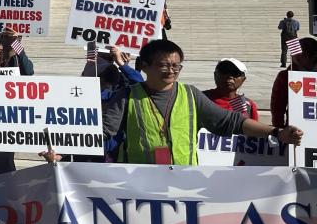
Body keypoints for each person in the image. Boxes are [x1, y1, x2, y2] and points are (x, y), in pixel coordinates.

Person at [84, 40, 302, 165]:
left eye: (176, 66)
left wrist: (277, 132)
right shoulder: (127, 95)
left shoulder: (191, 95)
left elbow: (232, 122)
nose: (171, 70)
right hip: (137, 181)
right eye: (163, 65)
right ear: (145, 66)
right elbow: (103, 133)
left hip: (185, 181)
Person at [271, 37, 317, 127]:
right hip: (296, 127)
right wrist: (279, 128)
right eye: (295, 54)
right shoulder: (285, 76)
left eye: (301, 55)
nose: (295, 57)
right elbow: (277, 106)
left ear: (313, 56)